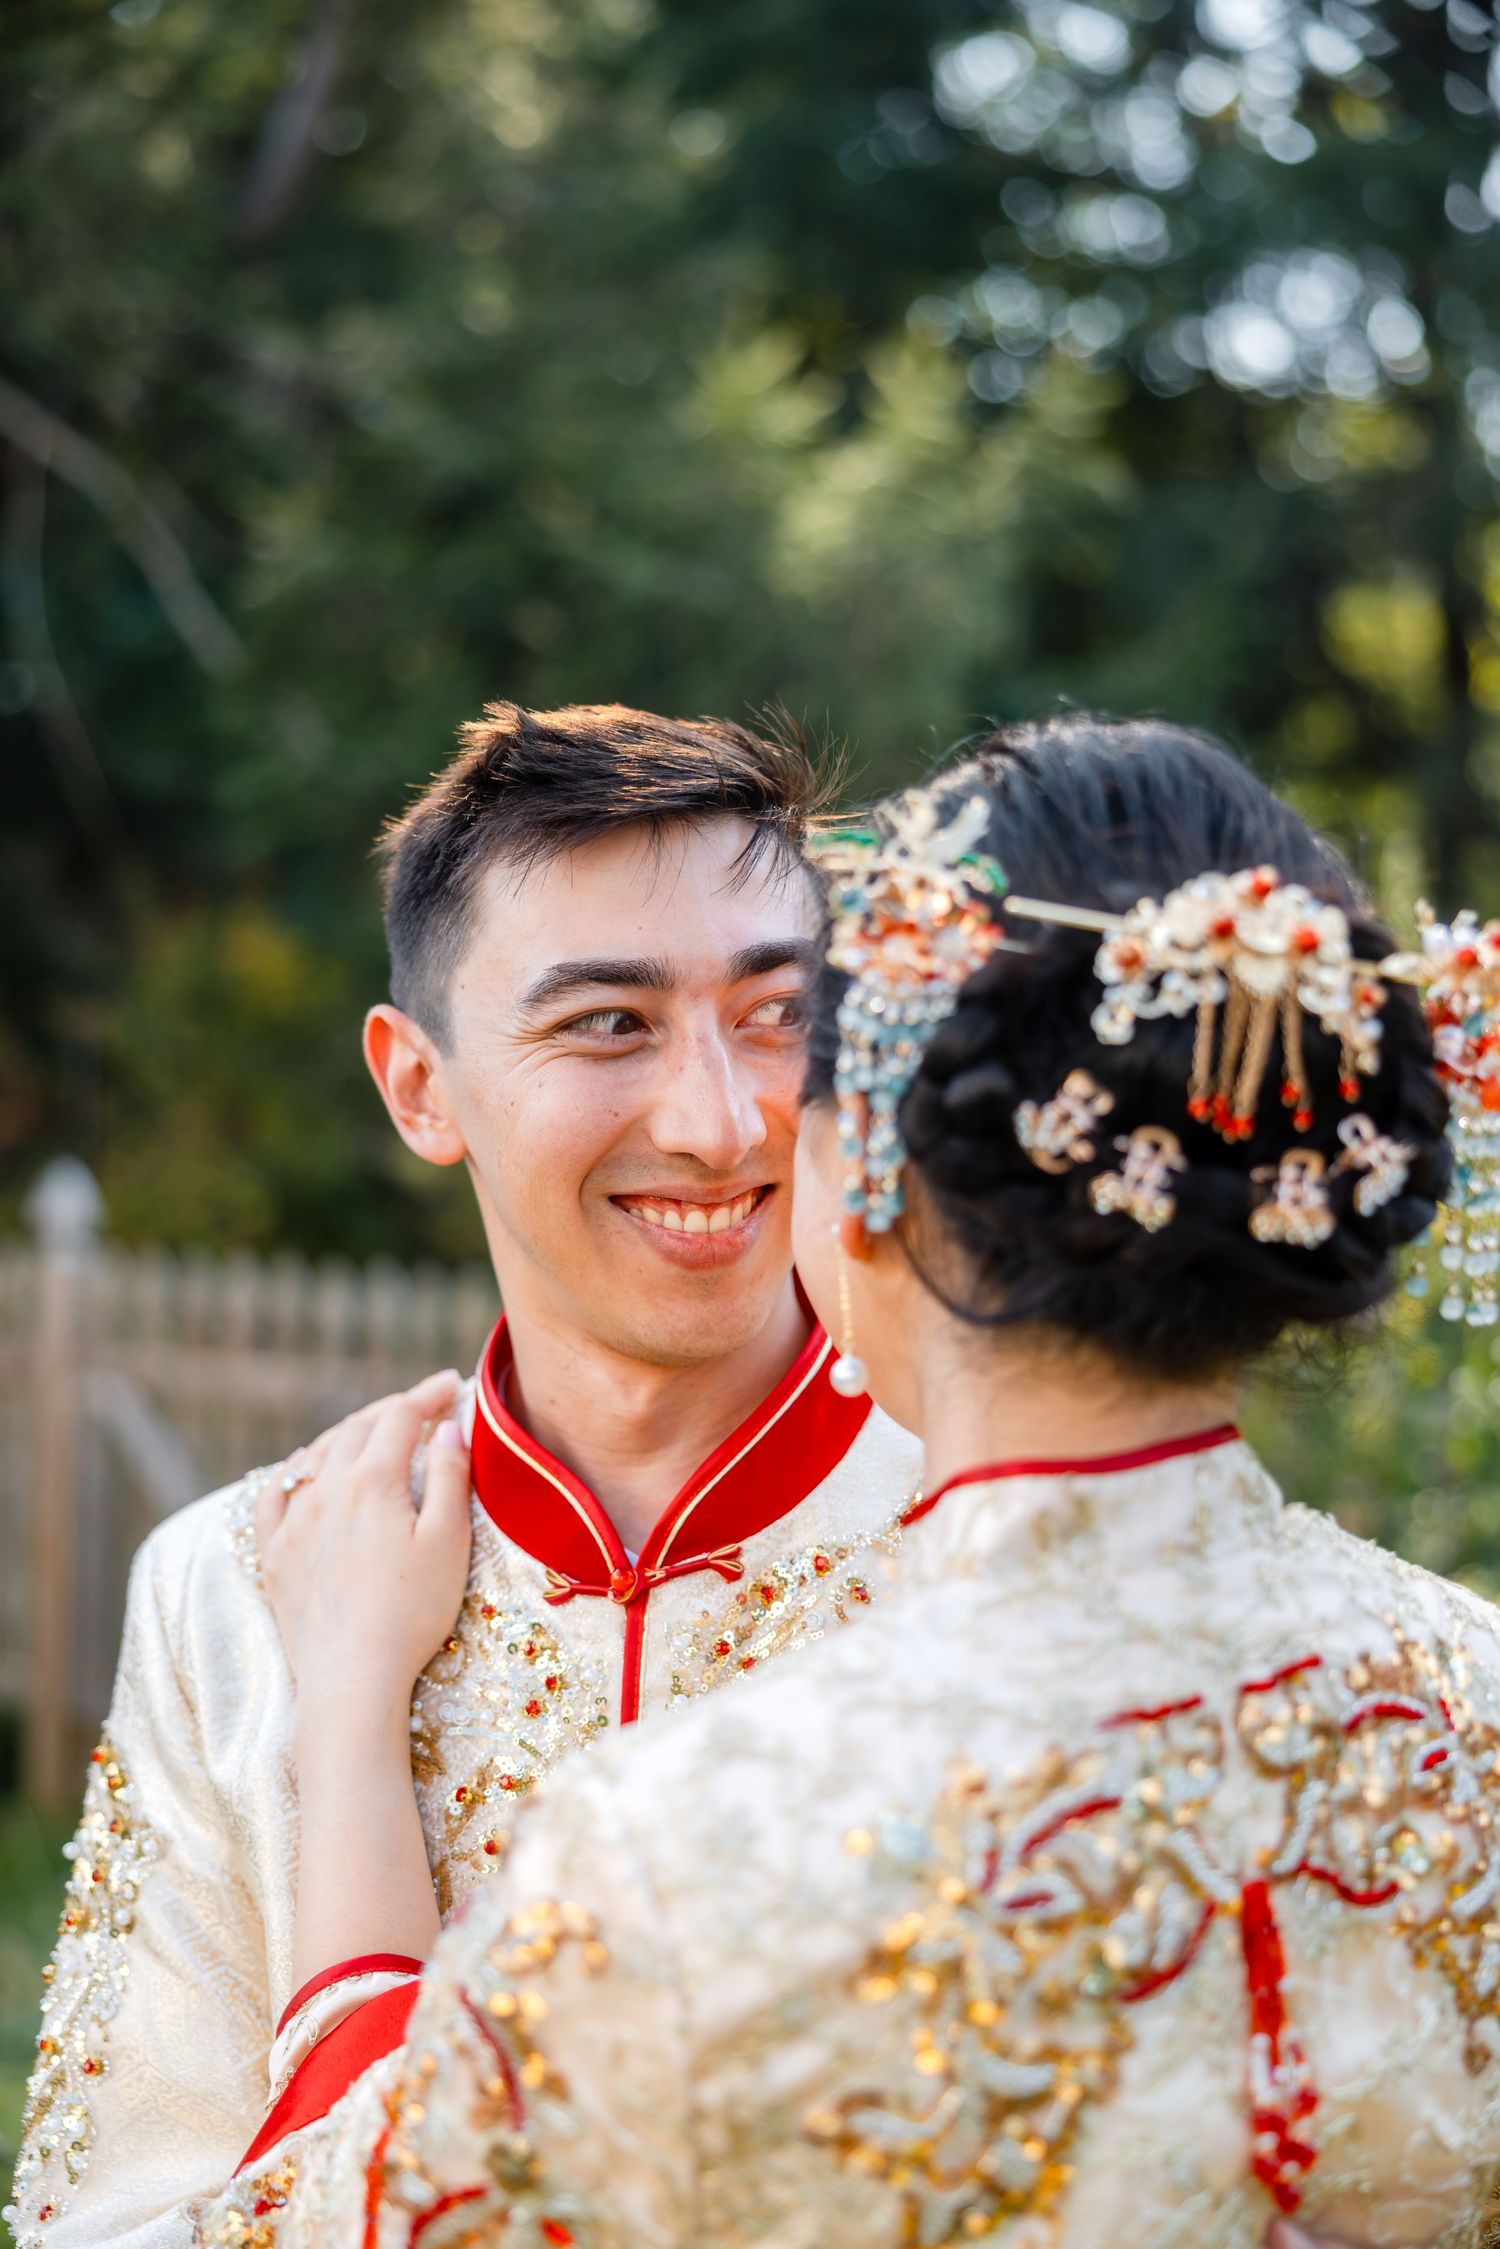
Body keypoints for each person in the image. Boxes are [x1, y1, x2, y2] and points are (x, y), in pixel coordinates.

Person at [202, 717, 1500, 2249]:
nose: (732, 1129)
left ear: (870, 1168)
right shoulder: (1473, 1697)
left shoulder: (693, 1845)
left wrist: (349, 1717)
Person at [8, 705, 922, 2249]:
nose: (721, 1120)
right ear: (419, 1086)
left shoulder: (1008, 1543)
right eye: (610, 1024)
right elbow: (108, 2218)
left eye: (779, 1012)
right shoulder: (225, 1592)